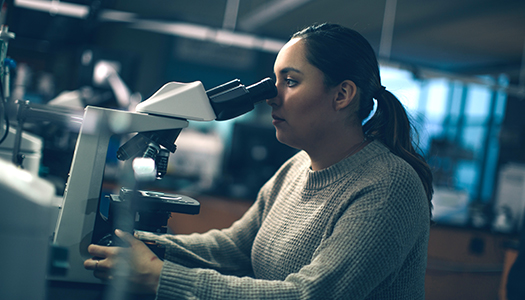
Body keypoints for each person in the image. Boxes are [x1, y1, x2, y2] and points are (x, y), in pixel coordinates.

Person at [84, 23, 434, 299]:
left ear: (342, 95)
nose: (271, 97)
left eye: (291, 81)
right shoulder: (296, 168)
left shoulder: (388, 187)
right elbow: (235, 248)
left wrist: (160, 277)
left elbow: (308, 295)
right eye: (274, 81)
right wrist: (140, 244)